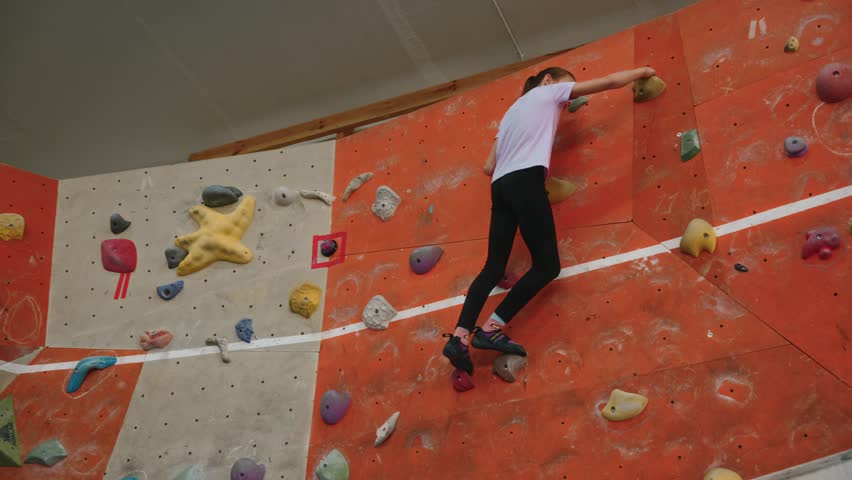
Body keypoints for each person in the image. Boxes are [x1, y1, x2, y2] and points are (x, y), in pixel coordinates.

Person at [442, 65, 657, 374]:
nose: (567, 101)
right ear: (547, 80)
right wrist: (643, 70)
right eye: (567, 92)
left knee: (493, 268)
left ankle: (459, 338)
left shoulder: (509, 114)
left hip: (500, 187)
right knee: (547, 266)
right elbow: (609, 80)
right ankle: (491, 328)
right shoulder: (549, 92)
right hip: (526, 180)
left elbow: (488, 167)